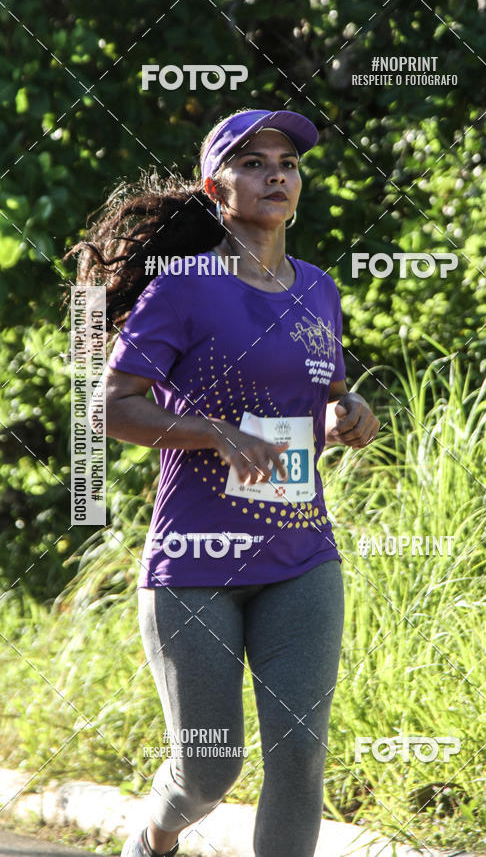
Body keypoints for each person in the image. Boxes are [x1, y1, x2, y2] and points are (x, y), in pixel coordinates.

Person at [70, 108, 379, 857]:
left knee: (301, 754)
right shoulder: (184, 289)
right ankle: (154, 837)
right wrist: (218, 433)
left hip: (301, 555)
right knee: (210, 768)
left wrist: (351, 412)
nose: (276, 173)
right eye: (252, 161)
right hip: (195, 563)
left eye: (288, 162)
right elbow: (110, 408)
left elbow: (327, 394)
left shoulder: (317, 290)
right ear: (215, 187)